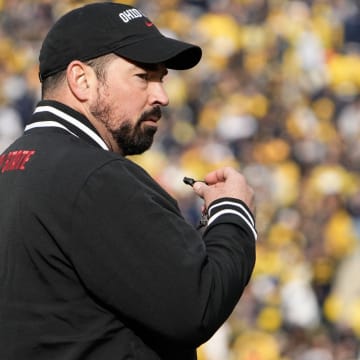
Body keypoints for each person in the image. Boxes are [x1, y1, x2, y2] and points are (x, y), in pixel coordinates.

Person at [0, 2, 257, 360]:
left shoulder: (11, 166)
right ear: (81, 80)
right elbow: (195, 305)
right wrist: (233, 213)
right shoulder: (94, 176)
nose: (162, 96)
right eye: (143, 76)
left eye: (162, 79)